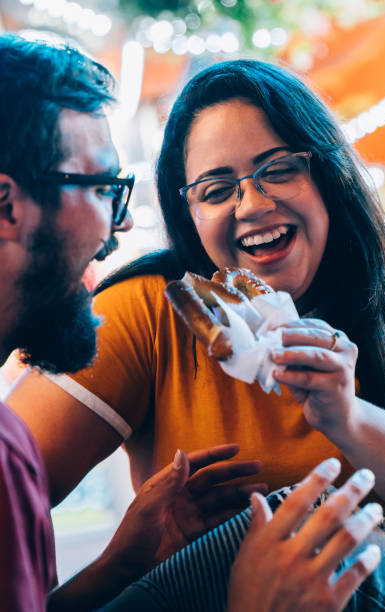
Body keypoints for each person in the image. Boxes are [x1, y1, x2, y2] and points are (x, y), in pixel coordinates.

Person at [0, 35, 289, 611]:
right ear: (6, 207)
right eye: (105, 188)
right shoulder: (9, 456)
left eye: (280, 171)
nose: (125, 223)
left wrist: (118, 572)